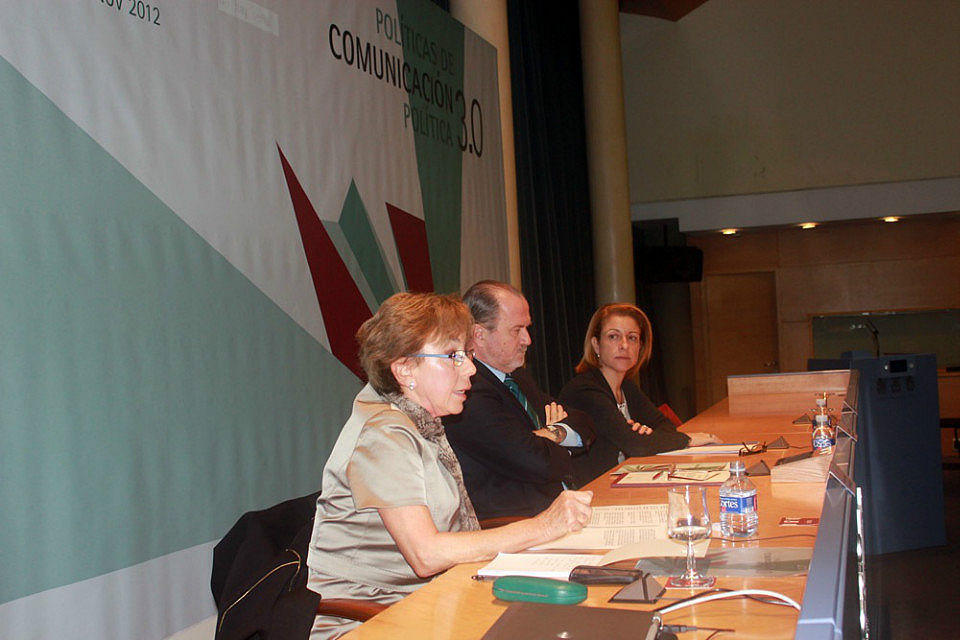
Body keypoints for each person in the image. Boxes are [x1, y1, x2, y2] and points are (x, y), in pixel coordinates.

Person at [306, 292, 593, 639]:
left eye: (468, 354)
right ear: (404, 369)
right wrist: (543, 526)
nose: (471, 368)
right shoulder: (382, 434)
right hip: (372, 621)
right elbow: (425, 555)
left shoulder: (421, 421)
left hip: (431, 601)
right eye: (453, 356)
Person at [444, 281, 595, 521]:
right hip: (516, 526)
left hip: (559, 511)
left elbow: (584, 422)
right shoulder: (469, 392)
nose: (528, 340)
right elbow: (538, 463)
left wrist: (553, 433)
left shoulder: (518, 378)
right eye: (516, 330)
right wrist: (556, 444)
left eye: (527, 328)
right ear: (478, 334)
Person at [559, 303, 719, 485]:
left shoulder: (626, 387)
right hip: (591, 493)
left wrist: (647, 435)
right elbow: (636, 445)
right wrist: (688, 439)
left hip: (620, 483)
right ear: (596, 345)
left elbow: (664, 425)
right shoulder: (584, 391)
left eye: (632, 338)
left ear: (640, 347)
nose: (624, 345)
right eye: (613, 337)